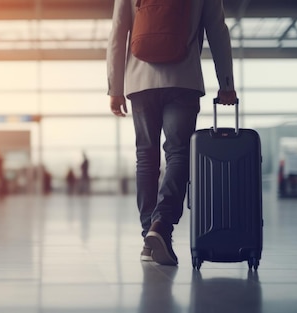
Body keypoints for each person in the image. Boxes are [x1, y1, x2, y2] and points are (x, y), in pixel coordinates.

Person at [107, 0, 238, 265]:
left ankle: (149, 237)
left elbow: (118, 32)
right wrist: (226, 83)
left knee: (146, 157)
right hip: (184, 80)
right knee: (178, 153)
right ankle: (162, 225)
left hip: (141, 82)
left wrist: (115, 88)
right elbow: (217, 30)